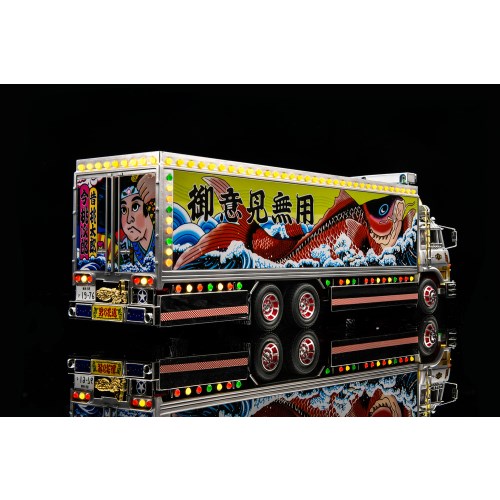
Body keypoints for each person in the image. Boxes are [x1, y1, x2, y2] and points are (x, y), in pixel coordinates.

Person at [119, 173, 155, 268]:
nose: (129, 219)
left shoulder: (162, 239)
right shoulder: (125, 245)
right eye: (123, 210)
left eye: (135, 207)